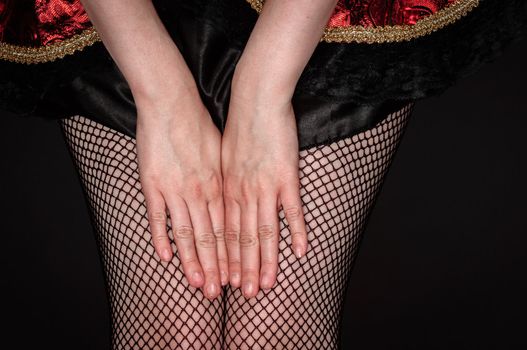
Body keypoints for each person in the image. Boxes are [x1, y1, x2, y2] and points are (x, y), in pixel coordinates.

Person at [1, 0, 525, 349]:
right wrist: (159, 93)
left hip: (316, 16)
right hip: (123, 17)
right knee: (168, 336)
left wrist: (264, 88)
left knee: (275, 334)